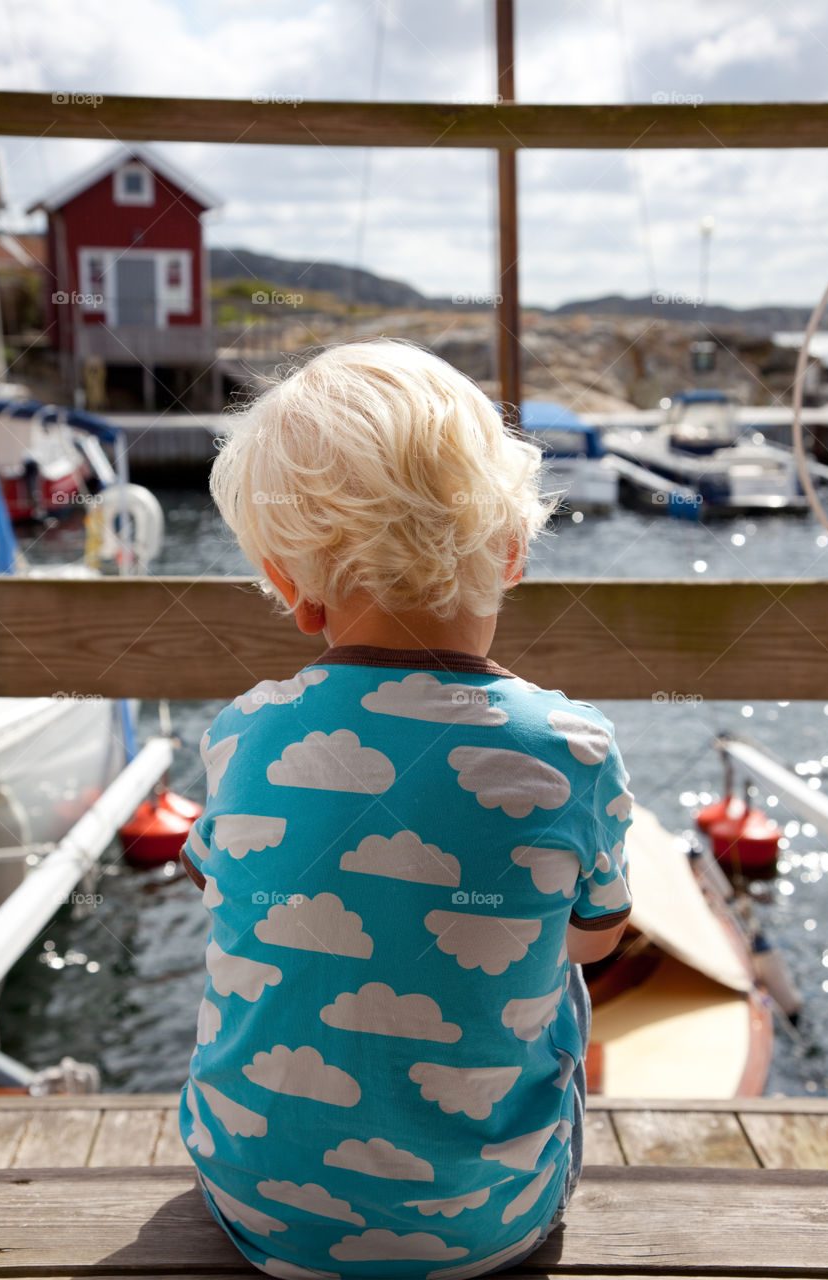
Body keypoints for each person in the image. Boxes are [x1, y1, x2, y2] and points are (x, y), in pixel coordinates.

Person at [178, 339, 633, 1280]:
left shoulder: (247, 730)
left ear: (294, 593)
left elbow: (221, 887)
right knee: (560, 963)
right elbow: (593, 944)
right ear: (511, 551)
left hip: (254, 1204)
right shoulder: (572, 749)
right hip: (482, 1230)